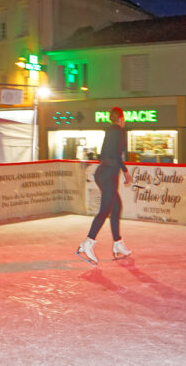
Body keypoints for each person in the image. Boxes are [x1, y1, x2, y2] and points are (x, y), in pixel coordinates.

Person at [76, 107, 133, 265]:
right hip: (109, 174)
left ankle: (117, 242)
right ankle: (88, 242)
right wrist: (126, 171)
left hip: (102, 172)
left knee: (116, 207)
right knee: (106, 209)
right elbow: (117, 154)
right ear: (121, 118)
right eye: (124, 118)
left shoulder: (109, 131)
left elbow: (104, 154)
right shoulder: (120, 132)